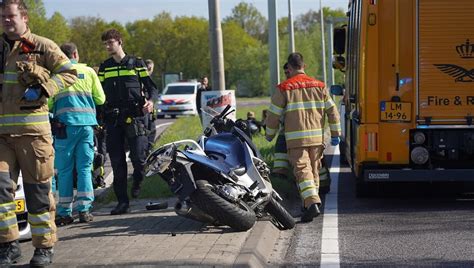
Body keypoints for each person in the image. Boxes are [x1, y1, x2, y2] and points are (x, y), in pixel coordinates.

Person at [0, 0, 78, 266]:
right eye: (3, 17)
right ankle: (9, 245)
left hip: (33, 135)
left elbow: (69, 73)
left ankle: (44, 248)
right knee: (1, 192)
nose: (6, 21)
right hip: (2, 136)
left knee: (37, 195)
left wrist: (45, 88)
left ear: (24, 17)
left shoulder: (41, 46)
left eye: (11, 16)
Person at [265, 52, 341, 223]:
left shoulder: (284, 88)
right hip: (317, 140)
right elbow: (333, 112)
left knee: (302, 171)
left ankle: (312, 202)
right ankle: (308, 206)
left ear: (290, 68)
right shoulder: (320, 86)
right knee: (313, 172)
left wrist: (270, 135)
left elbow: (273, 115)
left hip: (296, 140)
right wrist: (336, 135)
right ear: (304, 66)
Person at [98, 29, 158, 215]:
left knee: (139, 159)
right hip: (113, 120)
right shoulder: (105, 67)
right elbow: (99, 95)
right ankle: (122, 202)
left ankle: (139, 180)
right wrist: (99, 119)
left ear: (119, 42)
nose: (108, 47)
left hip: (135, 117)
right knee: (117, 162)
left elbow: (151, 88)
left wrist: (150, 101)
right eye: (105, 44)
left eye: (110, 43)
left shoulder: (136, 63)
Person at [51, 42, 106, 226]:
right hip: (86, 127)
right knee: (84, 168)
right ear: (75, 54)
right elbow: (101, 98)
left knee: (65, 171)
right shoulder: (89, 72)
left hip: (64, 127)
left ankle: (65, 212)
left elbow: (49, 103)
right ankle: (84, 210)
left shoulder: (56, 74)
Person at [272, 63, 291, 179]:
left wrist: (269, 133)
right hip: (312, 130)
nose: (286, 75)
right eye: (285, 73)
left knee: (281, 145)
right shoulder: (311, 85)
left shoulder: (285, 87)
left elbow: (274, 112)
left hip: (291, 129)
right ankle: (280, 174)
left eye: (288, 72)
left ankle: (280, 173)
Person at [145, 59, 157, 154]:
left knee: (152, 130)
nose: (150, 70)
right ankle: (147, 150)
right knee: (146, 131)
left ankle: (149, 149)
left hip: (151, 110)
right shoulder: (143, 79)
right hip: (145, 110)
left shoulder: (150, 79)